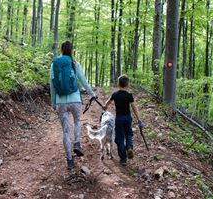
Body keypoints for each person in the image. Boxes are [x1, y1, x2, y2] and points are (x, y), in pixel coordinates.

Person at [50, 40, 97, 170]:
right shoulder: (75, 64)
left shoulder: (54, 64)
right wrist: (92, 94)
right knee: (77, 121)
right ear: (72, 51)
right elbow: (84, 82)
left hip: (61, 102)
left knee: (65, 131)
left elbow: (52, 85)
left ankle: (70, 160)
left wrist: (53, 102)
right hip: (75, 99)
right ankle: (77, 143)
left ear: (61, 50)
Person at [104, 75, 144, 166]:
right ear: (127, 85)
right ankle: (129, 147)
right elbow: (134, 108)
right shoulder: (129, 96)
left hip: (119, 119)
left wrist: (104, 107)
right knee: (129, 134)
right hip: (127, 119)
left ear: (118, 84)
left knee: (119, 139)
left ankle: (123, 159)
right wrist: (139, 119)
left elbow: (107, 103)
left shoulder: (115, 95)